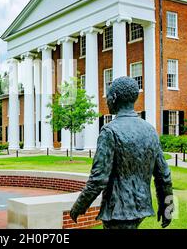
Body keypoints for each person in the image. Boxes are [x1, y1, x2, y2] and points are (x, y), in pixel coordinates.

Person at [70, 76, 174, 229]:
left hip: (118, 211)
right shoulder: (150, 130)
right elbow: (164, 175)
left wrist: (79, 206)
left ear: (115, 98)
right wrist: (168, 209)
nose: (106, 100)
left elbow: (98, 179)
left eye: (108, 96)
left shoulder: (109, 131)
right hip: (140, 207)